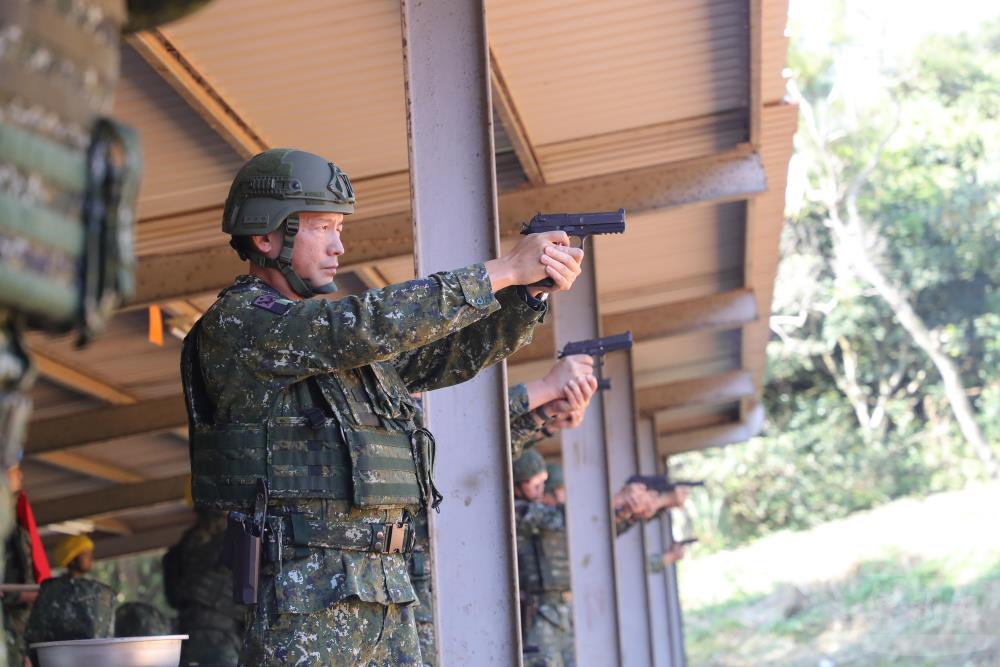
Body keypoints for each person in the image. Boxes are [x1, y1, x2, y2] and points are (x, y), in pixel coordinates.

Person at [182, 148, 584, 666]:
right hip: (306, 597)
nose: (338, 245)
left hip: (384, 590)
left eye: (339, 228)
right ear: (266, 236)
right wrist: (500, 271)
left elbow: (446, 355)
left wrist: (528, 294)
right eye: (322, 226)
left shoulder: (327, 343)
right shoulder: (243, 325)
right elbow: (362, 325)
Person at [409, 357, 596, 665]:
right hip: (424, 587)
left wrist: (545, 414)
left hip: (447, 583)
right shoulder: (412, 422)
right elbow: (468, 430)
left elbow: (485, 443)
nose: (542, 494)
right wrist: (546, 390)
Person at [163, 507, 246, 667]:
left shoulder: (182, 546)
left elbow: (172, 598)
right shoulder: (237, 540)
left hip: (187, 637)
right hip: (223, 638)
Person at [24, 535, 115, 666]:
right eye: (85, 554)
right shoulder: (53, 590)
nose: (91, 558)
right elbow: (37, 632)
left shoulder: (95, 591)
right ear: (71, 559)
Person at [2, 465, 49, 667]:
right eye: (14, 470)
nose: (20, 475)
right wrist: (18, 595)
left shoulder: (16, 517)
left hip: (23, 621)